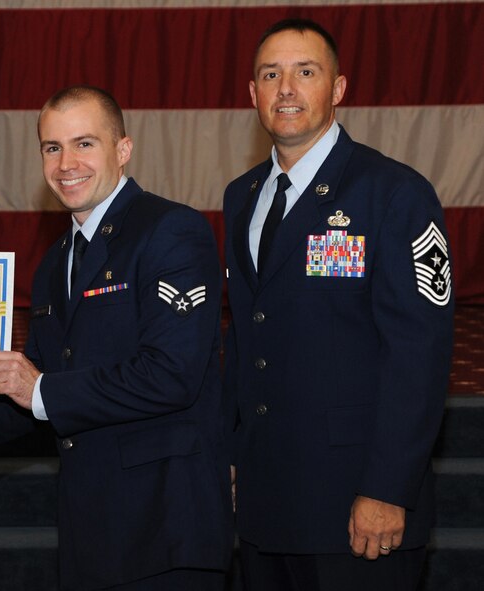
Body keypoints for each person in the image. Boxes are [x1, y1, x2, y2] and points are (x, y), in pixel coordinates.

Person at [0, 85, 233, 590]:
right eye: (52, 148)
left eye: (84, 144)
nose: (65, 163)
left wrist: (42, 391)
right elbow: (26, 388)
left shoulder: (171, 231)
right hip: (90, 532)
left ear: (122, 149)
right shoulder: (57, 261)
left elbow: (171, 374)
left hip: (164, 530)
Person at [222, 18, 454, 590]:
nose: (286, 89)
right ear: (252, 93)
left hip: (356, 509)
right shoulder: (242, 196)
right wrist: (232, 454)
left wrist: (387, 488)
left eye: (306, 72)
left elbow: (418, 356)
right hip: (264, 503)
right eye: (270, 75)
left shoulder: (395, 194)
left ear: (339, 88)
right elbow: (247, 337)